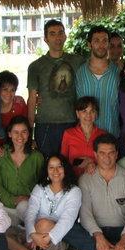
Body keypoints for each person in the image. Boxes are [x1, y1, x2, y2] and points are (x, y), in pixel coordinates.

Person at [64, 134, 125, 250]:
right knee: (66, 229)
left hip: (121, 230)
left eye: (111, 153)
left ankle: (94, 248)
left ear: (117, 154)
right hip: (94, 231)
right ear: (95, 155)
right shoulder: (85, 179)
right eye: (102, 153)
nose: (107, 158)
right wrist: (98, 235)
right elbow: (85, 213)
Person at [0, 116, 44, 250]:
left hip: (28, 207)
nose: (20, 136)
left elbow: (41, 184)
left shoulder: (36, 156)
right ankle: (25, 247)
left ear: (29, 134)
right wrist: (13, 200)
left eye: (24, 132)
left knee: (24, 206)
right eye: (16, 132)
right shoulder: (0, 155)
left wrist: (29, 198)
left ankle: (27, 241)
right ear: (9, 134)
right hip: (6, 207)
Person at [27, 19, 84, 156]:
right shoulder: (36, 66)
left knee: (70, 163)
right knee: (46, 163)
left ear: (65, 36)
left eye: (60, 33)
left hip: (71, 122)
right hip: (45, 124)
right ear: (46, 39)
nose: (57, 37)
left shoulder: (78, 61)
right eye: (52, 34)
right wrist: (29, 133)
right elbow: (32, 100)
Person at [24, 154, 82, 250]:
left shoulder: (74, 191)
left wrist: (48, 238)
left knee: (43, 225)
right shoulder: (39, 188)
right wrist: (33, 235)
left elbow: (68, 219)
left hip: (58, 239)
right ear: (46, 171)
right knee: (40, 225)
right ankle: (34, 249)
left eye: (59, 166)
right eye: (51, 167)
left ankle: (32, 249)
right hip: (36, 233)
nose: (55, 171)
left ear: (65, 169)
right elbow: (30, 213)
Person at [75, 25, 120, 136]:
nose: (101, 45)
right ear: (89, 44)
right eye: (96, 41)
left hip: (111, 135)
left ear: (108, 44)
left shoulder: (118, 72)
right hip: (86, 137)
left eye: (104, 41)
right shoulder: (80, 73)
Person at [61, 97, 106, 176]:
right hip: (73, 177)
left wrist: (91, 162)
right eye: (84, 111)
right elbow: (62, 160)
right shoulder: (68, 133)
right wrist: (80, 162)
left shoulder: (103, 134)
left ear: (96, 114)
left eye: (92, 111)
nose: (88, 115)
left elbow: (106, 159)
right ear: (77, 114)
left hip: (96, 177)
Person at [0, 70, 27, 155]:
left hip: (14, 148)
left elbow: (26, 128)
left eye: (12, 90)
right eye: (5, 89)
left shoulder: (20, 104)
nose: (9, 93)